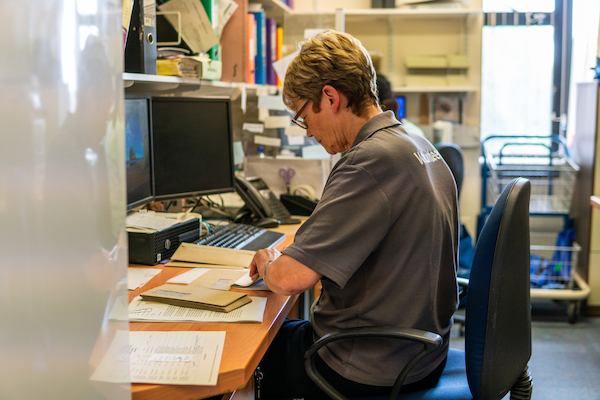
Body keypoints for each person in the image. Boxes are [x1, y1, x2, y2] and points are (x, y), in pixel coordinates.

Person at [249, 30, 459, 399]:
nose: (309, 132)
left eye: (303, 117)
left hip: (368, 365)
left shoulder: (367, 162)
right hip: (420, 351)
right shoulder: (415, 144)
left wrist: (268, 260)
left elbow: (289, 278)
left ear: (330, 97)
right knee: (284, 331)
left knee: (250, 353)